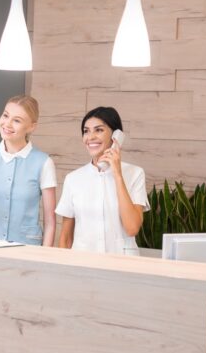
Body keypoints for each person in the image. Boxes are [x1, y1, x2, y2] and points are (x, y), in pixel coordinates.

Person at [0, 95, 57, 246]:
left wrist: (44, 258)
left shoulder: (44, 163)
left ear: (32, 127)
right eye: (5, 115)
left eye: (17, 120)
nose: (7, 124)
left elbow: (50, 222)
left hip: (28, 248)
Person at [56, 106, 148, 255]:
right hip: (83, 263)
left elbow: (132, 228)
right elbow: (65, 238)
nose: (90, 137)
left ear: (116, 136)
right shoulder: (73, 179)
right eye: (86, 131)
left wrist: (117, 174)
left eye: (98, 130)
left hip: (122, 264)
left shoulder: (135, 174)